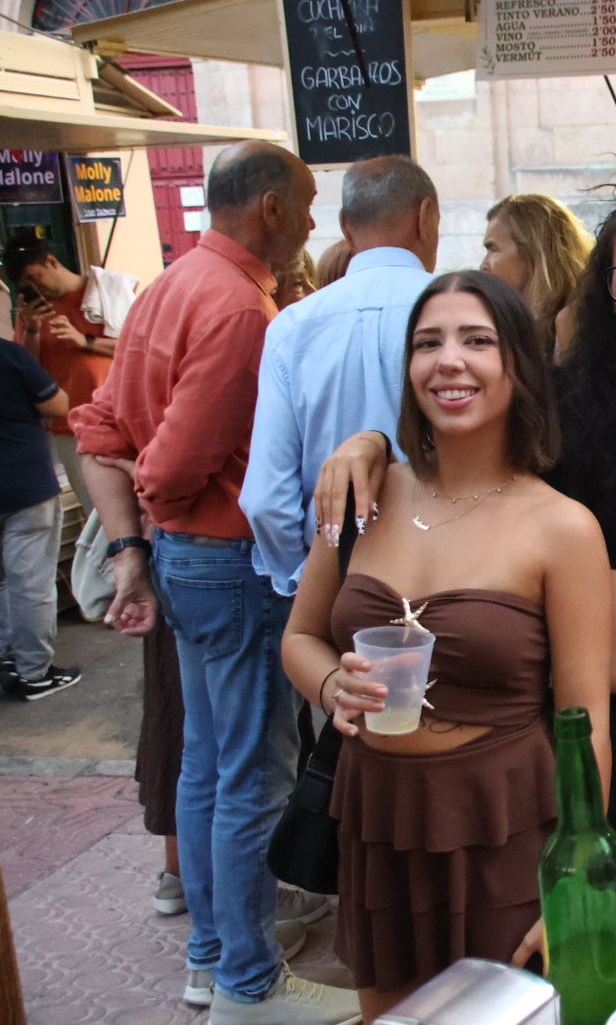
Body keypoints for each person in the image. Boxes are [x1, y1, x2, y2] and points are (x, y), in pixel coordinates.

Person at [308, 161, 616, 976]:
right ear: (601, 290)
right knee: (564, 957)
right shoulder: (567, 402)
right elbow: (468, 450)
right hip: (547, 730)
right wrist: (370, 442)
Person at [70, 140, 360, 1022]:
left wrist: (140, 542)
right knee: (249, 774)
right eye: (307, 204)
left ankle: (212, 956)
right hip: (225, 560)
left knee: (208, 764)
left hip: (190, 560)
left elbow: (103, 426)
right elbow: (165, 460)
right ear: (269, 207)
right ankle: (245, 979)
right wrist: (156, 515)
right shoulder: (238, 309)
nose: (314, 222)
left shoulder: (170, 285)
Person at [280, 270, 612, 1021]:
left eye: (476, 340)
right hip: (379, 819)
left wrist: (577, 876)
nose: (448, 361)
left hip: (503, 825)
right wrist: (333, 687)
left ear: (518, 365)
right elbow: (299, 637)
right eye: (427, 342)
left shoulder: (562, 527)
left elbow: (584, 717)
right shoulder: (360, 495)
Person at [242, 155, 439, 599]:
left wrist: (306, 580)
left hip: (336, 581)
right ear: (426, 217)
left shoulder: (293, 327)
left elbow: (265, 499)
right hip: (450, 568)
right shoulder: (467, 314)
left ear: (347, 229)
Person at [3, 237, 137, 532]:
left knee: (136, 504)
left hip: (118, 415)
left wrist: (84, 341)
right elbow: (28, 371)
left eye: (34, 277)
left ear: (51, 262)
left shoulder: (104, 294)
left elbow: (140, 347)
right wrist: (33, 330)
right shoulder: (33, 314)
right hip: (70, 426)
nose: (35, 287)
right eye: (25, 283)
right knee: (98, 514)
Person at [0, 336, 77, 700]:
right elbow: (59, 403)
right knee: (30, 582)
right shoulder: (7, 353)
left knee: (4, 582)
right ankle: (35, 673)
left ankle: (5, 654)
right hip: (23, 483)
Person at [479, 194, 591, 359]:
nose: (483, 265)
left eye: (493, 250)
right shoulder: (506, 326)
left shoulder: (578, 321)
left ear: (532, 251)